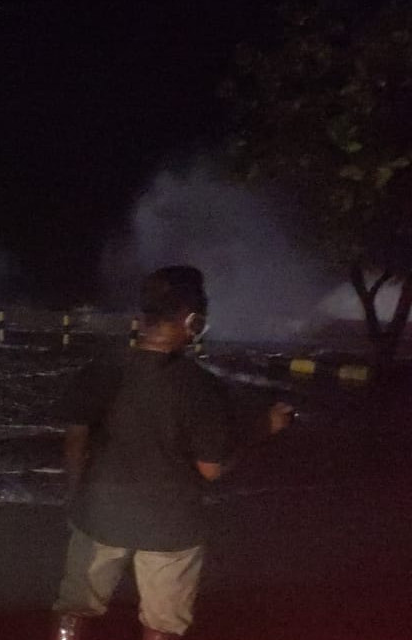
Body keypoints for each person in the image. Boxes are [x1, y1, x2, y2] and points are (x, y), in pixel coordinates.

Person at [51, 266, 293, 640]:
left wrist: (74, 494)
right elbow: (211, 469)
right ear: (192, 320)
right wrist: (264, 428)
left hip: (99, 512)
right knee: (162, 624)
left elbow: (75, 439)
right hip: (172, 525)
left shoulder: (104, 369)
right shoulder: (200, 387)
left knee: (74, 607)